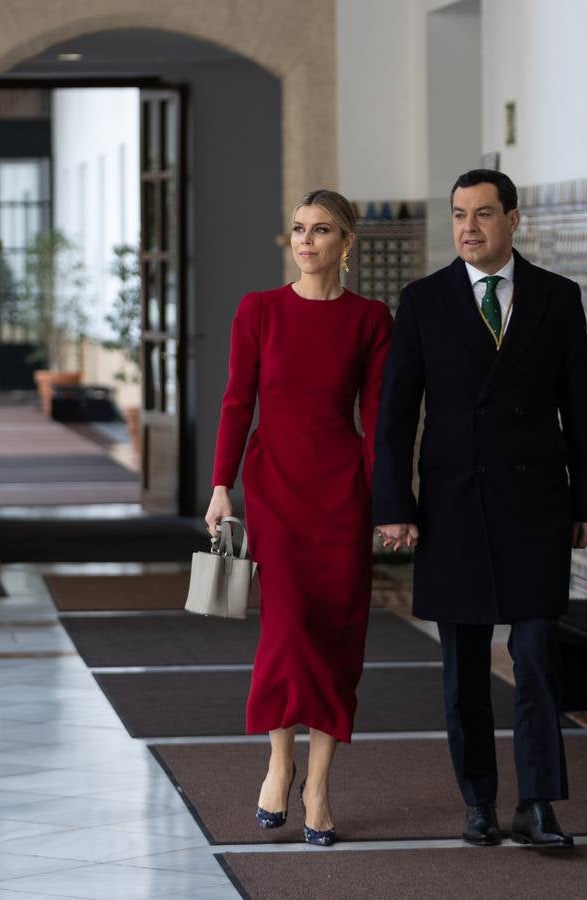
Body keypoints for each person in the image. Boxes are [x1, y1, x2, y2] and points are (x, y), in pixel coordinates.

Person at [372, 169, 587, 849]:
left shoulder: (557, 299)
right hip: (452, 506)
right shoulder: (423, 301)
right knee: (464, 668)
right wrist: (395, 504)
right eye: (458, 215)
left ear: (513, 220)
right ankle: (478, 801)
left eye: (481, 214)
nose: (467, 228)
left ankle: (537, 804)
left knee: (536, 656)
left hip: (537, 503)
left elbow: (581, 406)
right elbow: (394, 417)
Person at [206, 189, 393, 847]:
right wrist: (221, 485)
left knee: (338, 633)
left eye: (320, 230)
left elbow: (379, 420)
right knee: (286, 630)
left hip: (342, 492)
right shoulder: (259, 311)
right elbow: (236, 402)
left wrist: (386, 497)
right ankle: (280, 762)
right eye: (297, 229)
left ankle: (319, 784)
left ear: (347, 242)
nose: (305, 240)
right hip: (276, 491)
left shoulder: (371, 319)